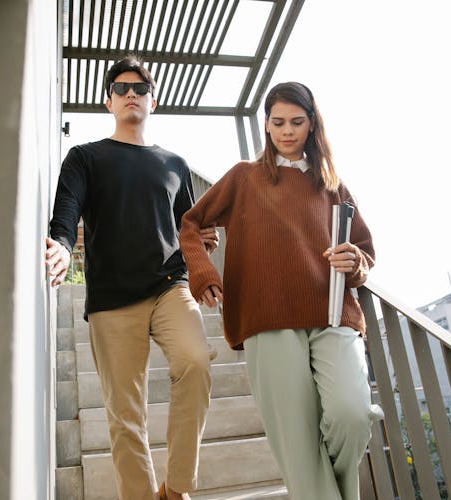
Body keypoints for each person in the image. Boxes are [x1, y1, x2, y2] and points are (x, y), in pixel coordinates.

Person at [178, 82, 383, 499]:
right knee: (298, 440)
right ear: (266, 127)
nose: (287, 131)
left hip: (333, 316)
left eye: (297, 122)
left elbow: (365, 253)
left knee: (353, 413)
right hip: (267, 319)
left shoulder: (334, 187)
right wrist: (203, 273)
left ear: (312, 126)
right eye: (278, 122)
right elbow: (191, 224)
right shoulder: (244, 177)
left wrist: (354, 262)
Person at [45, 55, 218, 500]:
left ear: (152, 101)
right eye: (120, 88)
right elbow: (66, 209)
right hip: (111, 300)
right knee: (125, 416)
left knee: (196, 362)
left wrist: (203, 244)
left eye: (139, 89)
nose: (130, 95)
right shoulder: (85, 157)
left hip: (169, 287)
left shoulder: (175, 164)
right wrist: (62, 244)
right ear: (108, 102)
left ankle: (176, 488)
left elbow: (190, 228)